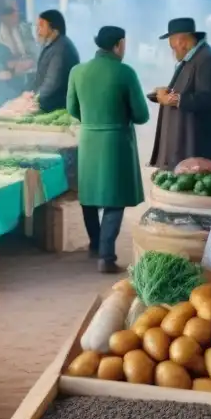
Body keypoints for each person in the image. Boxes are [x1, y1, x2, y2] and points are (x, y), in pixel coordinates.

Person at [66, 26, 149, 273]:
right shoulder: (125, 72)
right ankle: (106, 256)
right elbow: (142, 115)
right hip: (116, 143)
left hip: (89, 139)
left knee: (89, 195)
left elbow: (72, 108)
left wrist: (91, 120)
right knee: (115, 198)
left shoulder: (77, 71)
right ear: (119, 44)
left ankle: (95, 245)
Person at [148, 18, 211, 170]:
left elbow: (209, 98)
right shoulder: (196, 57)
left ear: (181, 41)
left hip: (203, 143)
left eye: (172, 46)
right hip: (191, 141)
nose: (172, 50)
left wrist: (172, 99)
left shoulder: (209, 61)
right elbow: (191, 89)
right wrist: (169, 92)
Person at [32, 10, 81, 112]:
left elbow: (52, 82)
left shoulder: (61, 49)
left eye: (41, 26)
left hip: (56, 107)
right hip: (47, 104)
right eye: (37, 26)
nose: (37, 31)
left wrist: (33, 101)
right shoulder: (54, 45)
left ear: (54, 28)